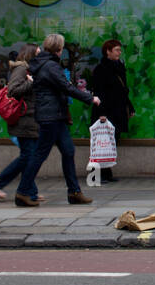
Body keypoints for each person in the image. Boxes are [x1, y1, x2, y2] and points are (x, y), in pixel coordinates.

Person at [14, 33, 101, 207]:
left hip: (56, 115)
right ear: (59, 49)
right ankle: (23, 192)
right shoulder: (50, 66)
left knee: (68, 151)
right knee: (40, 154)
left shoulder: (44, 64)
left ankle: (74, 192)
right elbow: (67, 87)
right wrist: (90, 98)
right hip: (50, 116)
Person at [0, 44, 42, 203]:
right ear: (30, 55)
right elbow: (13, 90)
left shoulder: (31, 70)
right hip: (22, 121)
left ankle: (30, 191)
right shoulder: (21, 70)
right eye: (38, 54)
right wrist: (31, 82)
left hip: (30, 121)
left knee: (30, 156)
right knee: (27, 156)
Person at [89, 39, 133, 183]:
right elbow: (99, 91)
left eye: (120, 50)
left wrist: (130, 107)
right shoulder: (101, 69)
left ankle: (107, 173)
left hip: (117, 108)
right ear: (108, 51)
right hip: (105, 109)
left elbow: (123, 90)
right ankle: (97, 174)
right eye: (116, 50)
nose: (119, 53)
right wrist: (101, 112)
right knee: (102, 142)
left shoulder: (119, 66)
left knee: (111, 141)